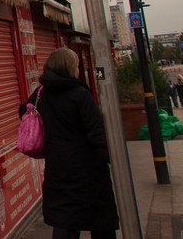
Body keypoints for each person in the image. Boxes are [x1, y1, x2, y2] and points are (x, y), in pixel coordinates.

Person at [21, 47, 118, 239]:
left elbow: (23, 111)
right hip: (88, 171)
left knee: (65, 221)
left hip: (58, 168)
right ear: (70, 67)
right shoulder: (79, 94)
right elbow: (96, 132)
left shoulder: (41, 93)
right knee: (100, 220)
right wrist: (113, 159)